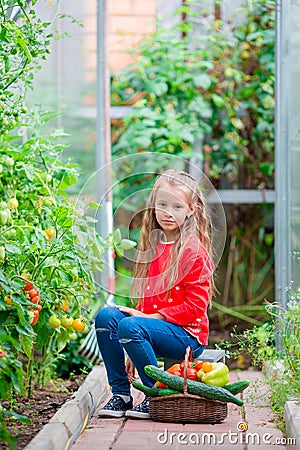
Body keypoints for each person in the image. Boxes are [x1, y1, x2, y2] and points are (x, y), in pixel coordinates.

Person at [95, 169, 215, 419]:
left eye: (177, 206)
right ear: (153, 206)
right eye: (162, 204)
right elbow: (145, 302)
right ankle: (121, 395)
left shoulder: (194, 251)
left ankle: (155, 397)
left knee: (130, 325)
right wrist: (133, 334)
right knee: (106, 317)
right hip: (152, 328)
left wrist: (141, 323)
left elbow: (194, 308)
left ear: (191, 209)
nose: (168, 212)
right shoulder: (151, 245)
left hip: (187, 335)